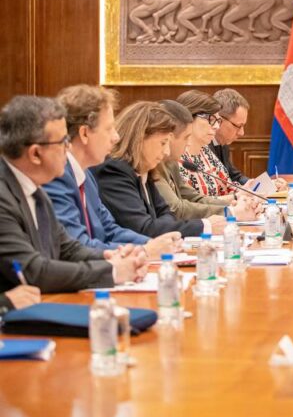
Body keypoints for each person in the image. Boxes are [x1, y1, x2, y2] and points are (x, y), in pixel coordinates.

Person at [0, 96, 147, 293]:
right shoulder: (3, 198)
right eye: (63, 142)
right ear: (35, 154)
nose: (69, 148)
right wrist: (112, 271)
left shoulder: (36, 190)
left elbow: (67, 248)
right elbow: (34, 271)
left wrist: (111, 258)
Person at [43, 85, 182, 256]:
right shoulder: (56, 176)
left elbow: (109, 229)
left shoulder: (86, 175)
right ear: (85, 133)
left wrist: (153, 244)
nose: (116, 137)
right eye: (109, 128)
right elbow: (77, 246)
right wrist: (145, 250)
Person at [94, 101, 219, 238]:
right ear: (140, 138)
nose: (166, 152)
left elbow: (167, 213)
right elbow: (144, 228)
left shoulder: (145, 170)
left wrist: (158, 225)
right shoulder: (114, 170)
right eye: (163, 143)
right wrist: (205, 226)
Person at [154, 99, 259, 221]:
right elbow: (177, 209)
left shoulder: (170, 161)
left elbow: (195, 198)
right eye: (186, 137)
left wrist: (233, 204)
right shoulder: (155, 164)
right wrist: (231, 212)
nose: (188, 143)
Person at [210, 88, 287, 192]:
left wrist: (268, 185)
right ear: (219, 119)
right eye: (238, 126)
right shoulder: (201, 146)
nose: (242, 133)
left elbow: (234, 177)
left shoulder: (222, 142)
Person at [176, 90, 236, 198]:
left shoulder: (205, 150)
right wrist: (234, 198)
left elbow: (228, 187)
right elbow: (192, 202)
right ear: (189, 117)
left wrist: (245, 192)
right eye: (211, 119)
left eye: (218, 121)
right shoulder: (176, 156)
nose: (217, 127)